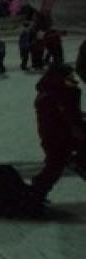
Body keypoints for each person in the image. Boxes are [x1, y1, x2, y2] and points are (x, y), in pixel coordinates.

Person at [30, 65, 86, 200]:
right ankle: (36, 194)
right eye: (69, 77)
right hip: (59, 137)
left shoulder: (60, 92)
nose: (73, 79)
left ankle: (37, 193)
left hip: (61, 136)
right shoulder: (55, 95)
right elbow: (66, 117)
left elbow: (70, 115)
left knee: (55, 166)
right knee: (56, 165)